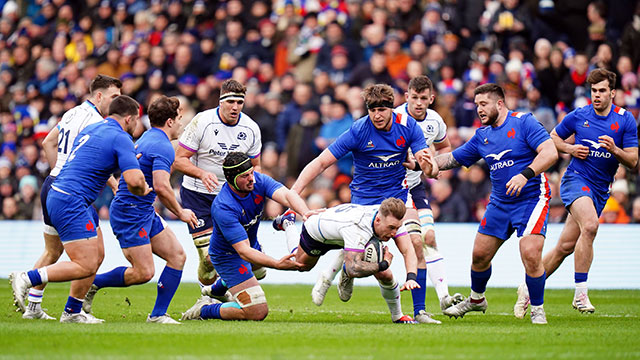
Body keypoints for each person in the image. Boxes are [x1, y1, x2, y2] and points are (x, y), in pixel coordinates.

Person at [290, 83, 435, 324]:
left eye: (382, 109)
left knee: (415, 242)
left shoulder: (408, 126)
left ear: (392, 108)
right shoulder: (358, 130)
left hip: (396, 199)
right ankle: (346, 272)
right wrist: (294, 191)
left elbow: (426, 164)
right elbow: (321, 162)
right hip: (363, 203)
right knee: (380, 269)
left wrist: (425, 164)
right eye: (372, 110)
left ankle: (419, 311)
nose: (377, 115)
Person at [9, 95, 152, 323]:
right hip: (72, 199)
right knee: (84, 264)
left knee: (94, 256)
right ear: (129, 118)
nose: (136, 125)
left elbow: (91, 159)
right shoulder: (121, 137)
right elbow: (134, 182)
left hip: (60, 191)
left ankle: (72, 311)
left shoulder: (93, 128)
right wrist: (143, 188)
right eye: (135, 120)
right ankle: (27, 277)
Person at [514, 68, 638, 316]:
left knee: (565, 247)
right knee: (590, 226)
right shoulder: (579, 115)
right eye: (593, 91)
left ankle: (527, 287)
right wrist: (570, 149)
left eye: (602, 90)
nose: (597, 95)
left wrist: (616, 150)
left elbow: (633, 161)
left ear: (612, 93)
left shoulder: (625, 120)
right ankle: (581, 293)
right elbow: (553, 138)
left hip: (601, 188)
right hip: (575, 179)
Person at [434, 83, 558, 324]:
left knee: (530, 254)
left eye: (483, 104)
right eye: (476, 105)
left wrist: (525, 175)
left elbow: (550, 153)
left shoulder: (524, 122)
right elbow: (452, 158)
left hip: (531, 198)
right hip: (500, 203)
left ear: (499, 103)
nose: (479, 110)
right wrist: (421, 162)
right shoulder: (483, 136)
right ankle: (477, 300)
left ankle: (537, 309)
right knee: (479, 255)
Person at [81, 96, 198, 324]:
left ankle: (157, 315)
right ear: (170, 122)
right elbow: (162, 186)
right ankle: (92, 283)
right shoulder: (161, 145)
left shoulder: (148, 137)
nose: (182, 124)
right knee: (143, 273)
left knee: (177, 256)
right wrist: (181, 212)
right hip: (130, 213)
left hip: (141, 210)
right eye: (180, 119)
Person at [17, 74, 122, 320]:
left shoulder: (72, 112)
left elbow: (48, 142)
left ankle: (33, 307)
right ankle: (72, 311)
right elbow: (92, 160)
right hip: (72, 191)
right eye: (113, 97)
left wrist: (59, 172)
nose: (117, 102)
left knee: (52, 251)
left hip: (53, 185)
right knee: (92, 256)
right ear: (99, 96)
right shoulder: (96, 122)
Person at [180, 152, 312, 322]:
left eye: (251, 173)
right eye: (244, 176)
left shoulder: (258, 180)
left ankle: (217, 289)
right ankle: (204, 309)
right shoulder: (224, 206)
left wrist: (306, 213)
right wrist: (278, 264)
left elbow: (287, 195)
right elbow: (243, 252)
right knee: (257, 312)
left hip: (250, 247)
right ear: (230, 179)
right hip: (229, 257)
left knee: (260, 272)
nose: (251, 179)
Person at [173, 79, 262, 290]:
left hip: (231, 197)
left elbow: (256, 166)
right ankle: (209, 290)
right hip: (198, 194)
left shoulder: (251, 128)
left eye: (240, 103)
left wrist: (250, 190)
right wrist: (201, 173)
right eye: (230, 101)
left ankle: (215, 293)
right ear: (220, 101)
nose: (235, 107)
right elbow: (179, 160)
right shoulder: (202, 122)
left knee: (256, 266)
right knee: (208, 260)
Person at [273, 198, 422, 324]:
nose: (394, 233)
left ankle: (398, 316)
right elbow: (354, 268)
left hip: (342, 233)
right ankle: (288, 222)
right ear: (377, 220)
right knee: (300, 264)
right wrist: (384, 264)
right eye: (391, 228)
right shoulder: (357, 228)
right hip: (317, 232)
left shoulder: (388, 218)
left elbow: (408, 249)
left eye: (397, 228)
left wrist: (411, 277)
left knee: (384, 274)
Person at [394, 75, 464, 320]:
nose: (419, 103)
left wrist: (436, 167)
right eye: (414, 97)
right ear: (407, 97)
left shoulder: (435, 121)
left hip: (415, 187)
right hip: (391, 189)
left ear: (431, 99)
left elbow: (445, 148)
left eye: (424, 98)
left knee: (428, 237)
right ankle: (338, 275)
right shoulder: (395, 118)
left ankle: (443, 298)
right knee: (411, 243)